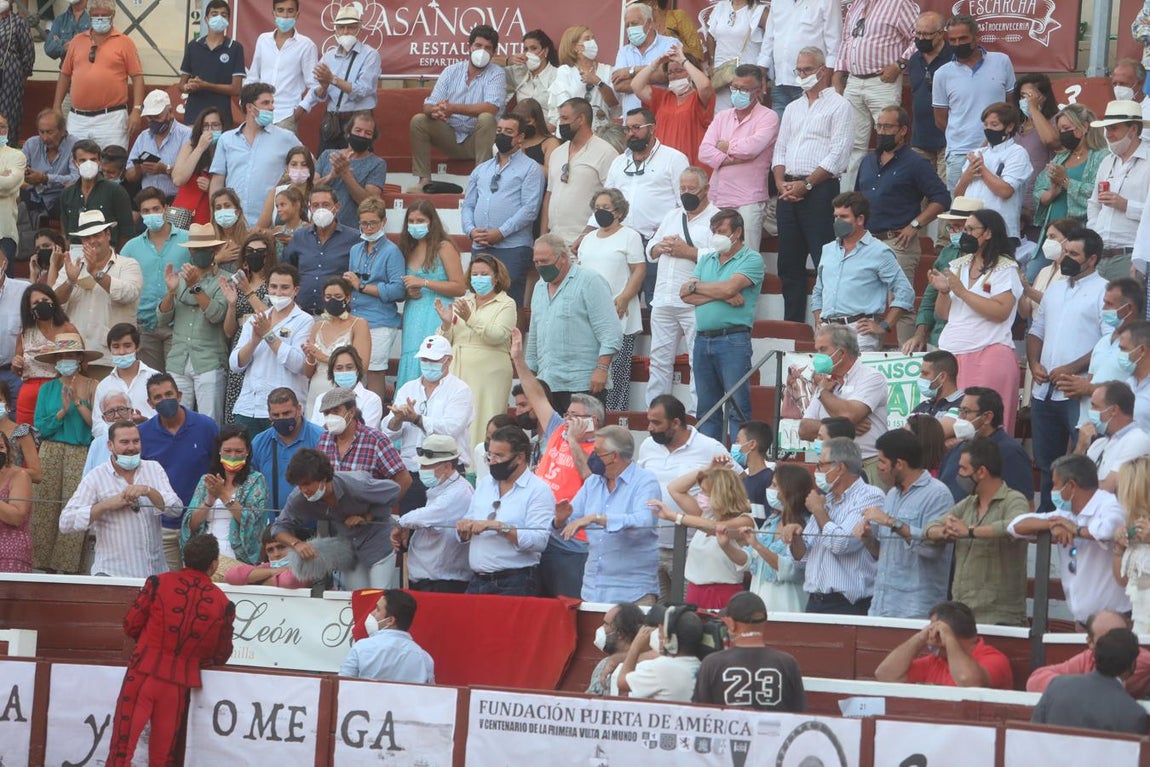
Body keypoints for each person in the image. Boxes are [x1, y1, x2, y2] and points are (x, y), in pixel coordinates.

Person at [103, 534, 234, 767]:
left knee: (122, 750)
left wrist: (148, 641)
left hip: (143, 673)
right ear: (214, 564)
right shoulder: (223, 603)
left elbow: (130, 625)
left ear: (185, 557)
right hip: (178, 684)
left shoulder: (158, 582)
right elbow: (220, 655)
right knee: (163, 758)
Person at [511, 327, 601, 597]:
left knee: (567, 602)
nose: (568, 419)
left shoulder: (603, 446)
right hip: (541, 528)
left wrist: (574, 442)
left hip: (573, 539)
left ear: (592, 421)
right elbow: (536, 394)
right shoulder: (557, 428)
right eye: (567, 414)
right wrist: (518, 359)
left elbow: (591, 481)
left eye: (576, 416)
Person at [1027, 226, 1107, 511]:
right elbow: (1036, 331)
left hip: (1079, 390)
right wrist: (1034, 363)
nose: (1065, 258)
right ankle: (1047, 515)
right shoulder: (1055, 288)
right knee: (1046, 461)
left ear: (1092, 259)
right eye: (1065, 252)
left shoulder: (1104, 291)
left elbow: (1107, 342)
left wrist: (1070, 369)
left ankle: (1078, 515)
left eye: (1074, 254)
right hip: (1044, 389)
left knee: (1080, 460)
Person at [773, 46, 853, 323]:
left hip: (820, 190)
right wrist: (781, 182)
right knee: (788, 263)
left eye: (806, 69)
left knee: (824, 259)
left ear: (822, 71)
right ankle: (792, 323)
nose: (801, 74)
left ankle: (828, 321)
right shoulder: (793, 107)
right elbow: (780, 149)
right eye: (798, 69)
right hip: (788, 189)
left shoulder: (840, 105)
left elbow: (839, 153)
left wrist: (806, 185)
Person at [857, 106, 951, 342]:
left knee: (903, 302)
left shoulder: (916, 163)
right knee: (868, 303)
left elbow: (941, 198)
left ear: (903, 131)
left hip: (898, 240)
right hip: (868, 241)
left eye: (888, 127)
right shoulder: (867, 161)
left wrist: (916, 225)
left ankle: (906, 361)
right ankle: (869, 362)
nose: (882, 131)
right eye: (879, 126)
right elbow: (857, 200)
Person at [931, 208, 1023, 432]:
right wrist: (944, 292)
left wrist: (961, 292)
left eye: (971, 229)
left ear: (988, 233)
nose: (965, 233)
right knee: (949, 428)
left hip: (989, 353)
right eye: (965, 228)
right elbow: (944, 314)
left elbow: (1001, 311)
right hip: (953, 353)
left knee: (982, 427)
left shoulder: (1005, 268)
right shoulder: (958, 264)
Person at [1010, 454, 1130, 626]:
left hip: (1116, 621)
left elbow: (1107, 531)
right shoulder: (1065, 512)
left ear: (1071, 486)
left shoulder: (1109, 504)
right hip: (1081, 621)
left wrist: (1075, 530)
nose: (1053, 490)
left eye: (1055, 484)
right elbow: (1015, 525)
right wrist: (1052, 525)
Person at [925, 437, 1030, 625]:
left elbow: (1017, 525)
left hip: (1000, 617)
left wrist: (970, 531)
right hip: (962, 614)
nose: (958, 474)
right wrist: (943, 531)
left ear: (981, 472)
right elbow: (930, 527)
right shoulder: (968, 504)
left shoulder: (1014, 500)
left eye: (963, 469)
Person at [60, 418, 183, 577]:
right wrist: (104, 506)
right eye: (124, 442)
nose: (131, 447)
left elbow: (176, 509)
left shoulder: (154, 468)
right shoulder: (96, 477)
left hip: (154, 575)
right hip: (112, 575)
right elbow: (65, 522)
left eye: (136, 441)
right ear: (110, 445)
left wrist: (148, 491)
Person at [681, 209, 763, 441]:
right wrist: (723, 293)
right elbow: (684, 294)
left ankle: (740, 461)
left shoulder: (751, 259)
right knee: (706, 408)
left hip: (733, 340)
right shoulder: (707, 259)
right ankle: (709, 461)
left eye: (722, 231)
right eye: (714, 231)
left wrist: (705, 287)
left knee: (738, 406)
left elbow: (729, 288)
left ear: (737, 232)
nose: (716, 235)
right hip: (702, 339)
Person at [637, 394, 728, 600]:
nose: (650, 428)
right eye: (649, 421)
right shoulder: (647, 446)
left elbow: (736, 486)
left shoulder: (710, 447)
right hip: (653, 545)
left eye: (656, 422)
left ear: (676, 423)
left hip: (692, 547)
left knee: (688, 613)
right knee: (655, 616)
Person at [646, 167, 719, 410]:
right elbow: (651, 249)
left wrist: (688, 251)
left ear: (706, 189)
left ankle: (698, 412)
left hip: (694, 301)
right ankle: (655, 411)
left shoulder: (717, 219)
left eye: (691, 189)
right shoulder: (672, 215)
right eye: (682, 189)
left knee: (696, 361)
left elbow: (722, 256)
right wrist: (660, 248)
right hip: (663, 298)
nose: (686, 193)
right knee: (658, 361)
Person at [560, 426, 661, 604]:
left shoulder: (645, 481)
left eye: (597, 452)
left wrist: (597, 518)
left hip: (633, 592)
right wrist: (559, 519)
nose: (592, 456)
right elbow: (572, 520)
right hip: (593, 589)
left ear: (614, 456)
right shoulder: (593, 482)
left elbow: (645, 521)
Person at [274, 448, 400, 589]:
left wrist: (367, 516)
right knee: (354, 599)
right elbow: (279, 527)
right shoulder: (298, 498)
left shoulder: (356, 485)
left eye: (307, 483)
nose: (303, 490)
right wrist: (296, 544)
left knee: (379, 597)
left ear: (323, 478)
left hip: (378, 543)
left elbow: (394, 490)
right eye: (299, 485)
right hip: (351, 551)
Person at [862, 430, 955, 619]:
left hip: (916, 610)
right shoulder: (891, 495)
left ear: (899, 464)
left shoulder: (938, 495)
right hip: (881, 605)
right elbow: (883, 552)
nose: (879, 468)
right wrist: (868, 538)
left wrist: (890, 522)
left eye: (882, 462)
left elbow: (932, 549)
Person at [785, 437, 884, 614]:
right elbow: (802, 559)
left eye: (821, 465)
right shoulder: (826, 500)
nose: (817, 471)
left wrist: (818, 511)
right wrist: (795, 537)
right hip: (815, 601)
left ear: (840, 467)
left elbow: (842, 544)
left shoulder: (869, 496)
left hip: (847, 605)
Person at [525, 234, 622, 411]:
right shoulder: (539, 286)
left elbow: (610, 332)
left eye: (544, 261)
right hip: (547, 382)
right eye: (536, 262)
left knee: (585, 435)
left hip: (584, 383)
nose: (540, 266)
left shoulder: (590, 280)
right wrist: (530, 376)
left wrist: (601, 369)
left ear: (562, 257)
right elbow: (534, 334)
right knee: (551, 438)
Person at [455, 426, 553, 596]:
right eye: (490, 455)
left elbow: (539, 540)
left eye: (499, 456)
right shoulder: (486, 484)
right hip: (477, 581)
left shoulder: (538, 490)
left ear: (520, 457)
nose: (492, 461)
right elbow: (470, 519)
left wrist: (500, 527)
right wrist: (464, 529)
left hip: (514, 582)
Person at [812, 191, 915, 351]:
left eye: (844, 217)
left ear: (860, 219)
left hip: (859, 331)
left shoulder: (879, 252)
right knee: (826, 376)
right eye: (836, 216)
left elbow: (905, 292)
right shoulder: (828, 249)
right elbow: (818, 291)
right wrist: (819, 321)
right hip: (827, 330)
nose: (838, 221)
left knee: (858, 375)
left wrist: (884, 325)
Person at [460, 112, 545, 307]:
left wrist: (501, 232)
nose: (502, 135)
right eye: (499, 131)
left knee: (510, 302)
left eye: (508, 131)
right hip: (481, 245)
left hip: (513, 247)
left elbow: (530, 208)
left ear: (520, 137)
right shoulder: (481, 169)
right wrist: (470, 230)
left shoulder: (531, 168)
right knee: (480, 300)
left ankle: (515, 339)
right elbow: (468, 205)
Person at [31, 332, 98, 573]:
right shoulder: (47, 389)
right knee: (45, 506)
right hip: (50, 450)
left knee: (74, 506)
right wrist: (62, 412)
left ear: (80, 358)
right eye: (62, 356)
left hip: (80, 451)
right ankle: (42, 565)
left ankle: (69, 568)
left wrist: (78, 403)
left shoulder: (93, 385)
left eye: (71, 355)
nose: (66, 360)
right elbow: (40, 428)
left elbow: (95, 425)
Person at [384, 335, 474, 513]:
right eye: (424, 359)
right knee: (408, 530)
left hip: (446, 471)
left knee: (445, 530)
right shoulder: (408, 388)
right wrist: (398, 418)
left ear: (448, 360)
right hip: (413, 472)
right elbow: (388, 432)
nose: (428, 364)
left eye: (433, 360)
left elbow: (450, 429)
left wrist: (417, 419)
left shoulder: (460, 390)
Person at [138, 372, 219, 570]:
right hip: (162, 525)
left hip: (200, 524)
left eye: (169, 394)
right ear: (150, 403)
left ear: (180, 395)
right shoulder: (142, 433)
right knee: (172, 584)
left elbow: (220, 467)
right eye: (158, 397)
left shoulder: (206, 426)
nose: (164, 400)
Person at [409, 24, 505, 190]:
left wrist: (453, 108)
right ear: (469, 47)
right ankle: (424, 181)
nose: (482, 51)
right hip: (450, 137)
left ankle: (480, 180)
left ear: (494, 52)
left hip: (479, 141)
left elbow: (491, 108)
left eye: (488, 48)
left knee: (487, 118)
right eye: (478, 45)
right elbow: (428, 104)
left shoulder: (496, 73)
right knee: (419, 120)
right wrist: (435, 111)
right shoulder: (451, 71)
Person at [833, 0, 916, 192]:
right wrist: (837, 74)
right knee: (852, 145)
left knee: (889, 140)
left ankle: (885, 193)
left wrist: (899, 65)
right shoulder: (856, 4)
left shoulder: (899, 3)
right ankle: (850, 201)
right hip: (853, 81)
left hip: (882, 81)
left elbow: (917, 37)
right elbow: (846, 41)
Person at [436, 253, 516, 448]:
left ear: (496, 278)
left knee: (484, 419)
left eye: (484, 274)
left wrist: (470, 319)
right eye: (475, 274)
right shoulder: (464, 301)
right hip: (458, 369)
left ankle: (481, 469)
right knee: (457, 418)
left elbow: (497, 335)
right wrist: (446, 324)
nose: (478, 278)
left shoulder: (507, 304)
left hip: (490, 373)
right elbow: (445, 341)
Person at [578, 188, 646, 410]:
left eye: (605, 208)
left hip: (619, 314)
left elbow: (638, 270)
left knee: (615, 375)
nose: (600, 212)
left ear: (618, 212)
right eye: (597, 208)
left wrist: (625, 297)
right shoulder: (587, 239)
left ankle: (615, 419)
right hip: (588, 317)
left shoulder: (630, 236)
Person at [932, 14, 1016, 192]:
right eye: (952, 40)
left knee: (996, 208)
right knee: (959, 212)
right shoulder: (942, 74)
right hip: (959, 154)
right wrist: (963, 134)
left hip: (999, 150)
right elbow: (940, 120)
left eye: (963, 38)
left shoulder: (1002, 61)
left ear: (976, 36)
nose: (957, 43)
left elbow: (1011, 105)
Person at [697, 65, 777, 254]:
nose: (737, 92)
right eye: (734, 87)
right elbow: (704, 151)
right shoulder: (722, 116)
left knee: (747, 256)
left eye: (744, 89)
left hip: (748, 198)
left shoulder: (769, 117)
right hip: (718, 195)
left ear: (758, 90)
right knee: (713, 253)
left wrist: (726, 146)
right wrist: (736, 158)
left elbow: (752, 148)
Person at [652, 465, 755, 609]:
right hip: (695, 592)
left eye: (704, 492)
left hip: (723, 593)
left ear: (720, 494)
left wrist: (675, 516)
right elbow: (675, 489)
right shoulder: (705, 514)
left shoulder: (745, 520)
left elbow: (715, 527)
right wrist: (708, 468)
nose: (700, 496)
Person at [229, 264, 314, 434]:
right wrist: (253, 342)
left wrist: (268, 335)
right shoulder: (256, 319)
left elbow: (298, 364)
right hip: (248, 406)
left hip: (283, 410)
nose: (278, 292)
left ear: (295, 290)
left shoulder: (305, 320)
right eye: (273, 287)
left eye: (284, 288)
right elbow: (235, 364)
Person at [798, 326, 890, 483]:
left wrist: (823, 393)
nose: (817, 356)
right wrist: (845, 429)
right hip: (832, 467)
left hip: (867, 465)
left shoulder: (871, 377)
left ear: (841, 352)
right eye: (817, 350)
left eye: (823, 349)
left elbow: (849, 415)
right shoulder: (825, 383)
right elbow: (804, 429)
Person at [155, 224, 228, 422]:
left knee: (210, 422)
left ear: (214, 251)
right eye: (195, 249)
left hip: (209, 361)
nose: (199, 253)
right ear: (190, 251)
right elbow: (162, 319)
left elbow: (215, 315)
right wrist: (171, 292)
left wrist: (194, 287)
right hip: (178, 360)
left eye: (204, 250)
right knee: (174, 420)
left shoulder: (225, 280)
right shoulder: (178, 279)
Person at [179, 425, 269, 580]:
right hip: (206, 554)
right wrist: (209, 500)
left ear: (247, 452)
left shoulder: (256, 480)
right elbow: (190, 525)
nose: (233, 455)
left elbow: (253, 522)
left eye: (238, 451)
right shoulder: (206, 480)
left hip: (237, 556)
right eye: (228, 451)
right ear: (219, 451)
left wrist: (222, 494)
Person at [52, 0, 144, 152]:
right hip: (78, 118)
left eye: (104, 15)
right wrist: (56, 106)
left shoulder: (125, 42)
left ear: (112, 16)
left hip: (111, 119)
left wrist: (137, 110)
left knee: (111, 165)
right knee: (76, 166)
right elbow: (65, 75)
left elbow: (138, 77)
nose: (99, 18)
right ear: (89, 16)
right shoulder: (77, 41)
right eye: (95, 15)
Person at [395, 200, 467, 388]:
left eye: (420, 220)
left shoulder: (444, 247)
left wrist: (425, 282)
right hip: (413, 314)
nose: (415, 224)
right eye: (411, 221)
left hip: (438, 313)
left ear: (431, 221)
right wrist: (409, 291)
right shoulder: (407, 249)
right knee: (413, 355)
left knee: (435, 357)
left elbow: (460, 287)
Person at [692, 591, 806, 711]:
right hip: (771, 729)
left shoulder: (712, 663)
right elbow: (799, 713)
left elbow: (700, 715)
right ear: (765, 621)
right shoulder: (787, 663)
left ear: (731, 624)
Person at [719, 463, 808, 612]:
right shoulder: (771, 521)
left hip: (786, 606)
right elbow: (750, 560)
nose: (770, 490)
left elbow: (792, 570)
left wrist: (758, 546)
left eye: (774, 485)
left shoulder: (805, 526)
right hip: (760, 605)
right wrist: (726, 546)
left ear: (788, 490)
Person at [208, 82, 300, 226]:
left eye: (272, 102)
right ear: (250, 107)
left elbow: (310, 167)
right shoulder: (226, 139)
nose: (272, 107)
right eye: (265, 103)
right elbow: (217, 180)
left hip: (271, 223)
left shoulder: (286, 137)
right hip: (232, 222)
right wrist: (214, 214)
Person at [390, 434, 472, 593]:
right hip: (428, 580)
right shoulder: (440, 488)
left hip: (443, 583)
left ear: (447, 467)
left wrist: (401, 523)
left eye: (427, 466)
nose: (422, 470)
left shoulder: (459, 492)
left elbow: (426, 515)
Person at [341, 197, 403, 402]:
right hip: (355, 317)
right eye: (363, 223)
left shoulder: (392, 251)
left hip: (380, 320)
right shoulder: (355, 249)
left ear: (383, 222)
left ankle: (374, 421)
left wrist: (362, 286)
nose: (367, 228)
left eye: (373, 223)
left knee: (375, 371)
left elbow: (398, 290)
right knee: (354, 371)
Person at [122, 188, 190, 371]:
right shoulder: (131, 247)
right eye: (146, 211)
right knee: (150, 385)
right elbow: (123, 285)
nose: (151, 214)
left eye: (156, 209)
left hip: (179, 325)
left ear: (166, 209)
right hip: (145, 327)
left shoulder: (188, 240)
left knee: (176, 382)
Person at [874, 600, 1014, 688]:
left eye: (934, 629)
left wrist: (949, 639)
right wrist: (919, 638)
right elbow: (885, 675)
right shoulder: (936, 660)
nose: (931, 634)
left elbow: (969, 682)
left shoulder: (994, 658)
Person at [298, 3, 380, 153]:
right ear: (336, 30)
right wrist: (320, 89)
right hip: (332, 120)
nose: (346, 31)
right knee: (326, 164)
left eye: (351, 27)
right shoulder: (328, 57)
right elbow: (318, 92)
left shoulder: (370, 55)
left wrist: (332, 79)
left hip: (359, 119)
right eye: (341, 27)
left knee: (357, 166)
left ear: (359, 28)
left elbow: (362, 91)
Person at [1033, 628, 1148, 734]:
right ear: (1133, 665)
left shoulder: (1057, 686)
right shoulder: (1133, 714)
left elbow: (1033, 737)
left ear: (1095, 656)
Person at [541, 97, 619, 246]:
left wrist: (589, 235)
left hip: (587, 240)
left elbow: (613, 199)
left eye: (564, 118)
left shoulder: (606, 152)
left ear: (581, 119)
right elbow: (549, 195)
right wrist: (543, 237)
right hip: (555, 240)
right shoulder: (557, 152)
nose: (560, 123)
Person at [937, 386, 1034, 503]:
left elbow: (1024, 505)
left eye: (966, 412)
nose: (960, 418)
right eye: (960, 411)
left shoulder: (1009, 452)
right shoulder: (957, 449)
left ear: (987, 417)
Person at [952, 102, 1033, 238]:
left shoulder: (1017, 153)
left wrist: (982, 170)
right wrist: (968, 175)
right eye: (986, 124)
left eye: (994, 125)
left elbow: (1005, 191)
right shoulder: (977, 152)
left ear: (1009, 127)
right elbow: (958, 195)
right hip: (971, 230)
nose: (988, 129)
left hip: (1001, 232)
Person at [1090, 101, 1150, 283]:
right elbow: (1094, 204)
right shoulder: (1107, 161)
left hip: (1131, 254)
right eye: (1106, 129)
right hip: (1101, 255)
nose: (1108, 135)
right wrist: (1095, 235)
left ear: (1133, 130)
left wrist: (1126, 205)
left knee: (1128, 310)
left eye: (1114, 128)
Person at [1031, 104, 1105, 252]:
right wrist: (1052, 192)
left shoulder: (1102, 157)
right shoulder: (1060, 158)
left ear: (1084, 127)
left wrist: (1066, 182)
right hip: (1051, 235)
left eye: (1066, 128)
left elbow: (1098, 194)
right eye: (1060, 130)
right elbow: (1038, 190)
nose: (1062, 134)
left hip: (1077, 233)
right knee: (1036, 273)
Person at [1027, 609, 1150, 697]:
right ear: (1090, 642)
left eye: (1122, 637)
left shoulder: (1141, 660)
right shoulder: (1088, 659)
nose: (1116, 645)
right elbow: (1035, 680)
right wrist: (1083, 687)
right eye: (1106, 641)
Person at [219, 232, 274, 421]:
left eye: (260, 251)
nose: (255, 255)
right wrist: (232, 305)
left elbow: (272, 318)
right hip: (241, 342)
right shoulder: (236, 282)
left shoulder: (274, 284)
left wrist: (249, 292)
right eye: (250, 251)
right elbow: (228, 331)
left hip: (267, 342)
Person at [629, 45, 714, 168]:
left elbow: (705, 86)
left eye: (679, 71)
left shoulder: (699, 98)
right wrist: (656, 63)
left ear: (690, 72)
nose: (674, 75)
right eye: (670, 72)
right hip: (662, 167)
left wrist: (683, 61)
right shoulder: (663, 97)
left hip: (691, 167)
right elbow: (636, 85)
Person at [316, 386, 409, 494]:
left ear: (351, 412)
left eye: (336, 411)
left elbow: (404, 479)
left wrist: (381, 508)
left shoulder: (376, 440)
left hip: (365, 508)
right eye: (327, 413)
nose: (331, 417)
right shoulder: (323, 440)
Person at [757, 0, 840, 118]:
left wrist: (828, 78)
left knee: (808, 131)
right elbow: (769, 39)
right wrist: (761, 72)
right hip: (781, 81)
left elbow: (834, 43)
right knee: (781, 133)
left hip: (811, 83)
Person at [244, 0, 318, 132]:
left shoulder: (306, 45)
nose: (285, 15)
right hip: (259, 113)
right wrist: (245, 103)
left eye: (290, 11)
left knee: (282, 153)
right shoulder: (263, 40)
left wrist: (300, 110)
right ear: (273, 13)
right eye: (280, 10)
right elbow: (253, 76)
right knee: (257, 152)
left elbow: (315, 85)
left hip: (286, 116)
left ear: (297, 14)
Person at [300, 276, 370, 415]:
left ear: (347, 298)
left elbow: (362, 366)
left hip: (343, 393)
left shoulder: (359, 324)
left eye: (338, 296)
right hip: (316, 391)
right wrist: (311, 357)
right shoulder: (318, 326)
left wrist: (323, 356)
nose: (333, 300)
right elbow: (308, 373)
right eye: (328, 296)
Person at [250, 387, 322, 513]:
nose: (281, 418)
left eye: (287, 413)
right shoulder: (259, 442)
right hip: (271, 525)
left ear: (299, 409)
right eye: (276, 415)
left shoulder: (320, 438)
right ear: (269, 415)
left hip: (311, 524)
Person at [13, 283, 77, 425]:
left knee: (55, 432)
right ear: (29, 309)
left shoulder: (67, 329)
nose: (41, 305)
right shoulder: (25, 333)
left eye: (45, 300)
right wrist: (16, 364)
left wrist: (55, 355)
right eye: (36, 303)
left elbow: (81, 362)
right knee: (26, 435)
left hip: (58, 389)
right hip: (29, 392)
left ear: (53, 301)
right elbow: (18, 370)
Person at [340, 589, 434, 684]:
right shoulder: (424, 659)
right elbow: (430, 695)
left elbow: (341, 686)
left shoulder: (361, 648)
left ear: (390, 621)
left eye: (377, 609)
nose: (372, 613)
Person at [1073, 381, 1150, 492]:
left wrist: (1077, 487)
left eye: (1095, 406)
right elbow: (1069, 479)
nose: (1091, 411)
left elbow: (1109, 487)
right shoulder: (1099, 443)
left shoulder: (1137, 439)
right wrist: (1080, 447)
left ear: (1114, 410)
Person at [315, 112, 387, 229]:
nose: (362, 135)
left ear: (372, 138)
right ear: (348, 132)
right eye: (358, 130)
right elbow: (310, 188)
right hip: (320, 227)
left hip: (352, 232)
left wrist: (345, 173)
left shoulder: (378, 164)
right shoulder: (327, 155)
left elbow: (370, 204)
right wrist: (331, 176)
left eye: (368, 133)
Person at [177, 0, 244, 126]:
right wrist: (188, 87)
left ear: (228, 20)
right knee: (193, 145)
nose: (219, 18)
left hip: (221, 118)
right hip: (193, 116)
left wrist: (206, 85)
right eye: (214, 14)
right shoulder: (193, 46)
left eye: (223, 15)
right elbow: (181, 85)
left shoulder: (235, 48)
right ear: (206, 19)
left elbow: (236, 89)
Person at [617, 605, 703, 701]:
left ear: (672, 641)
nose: (661, 637)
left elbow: (621, 683)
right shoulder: (704, 666)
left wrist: (635, 647)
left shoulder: (662, 667)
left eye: (662, 633)